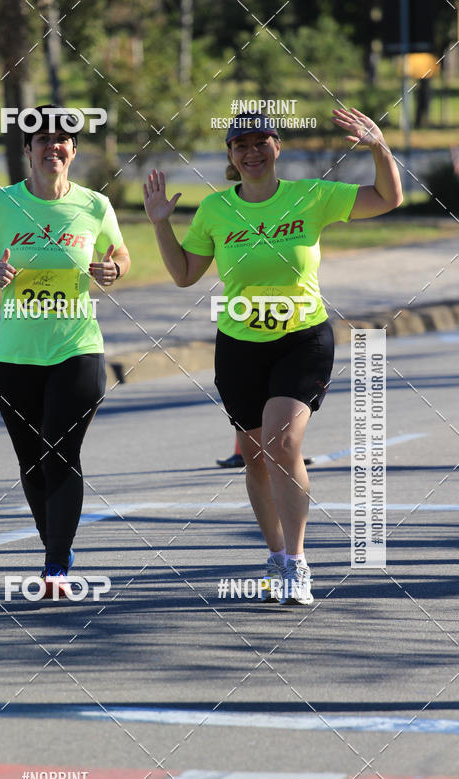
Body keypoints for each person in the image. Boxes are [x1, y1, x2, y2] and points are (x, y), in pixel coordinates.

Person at [144, 109, 401, 604]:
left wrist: (378, 146)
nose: (252, 151)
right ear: (231, 157)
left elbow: (389, 198)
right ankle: (278, 556)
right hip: (239, 345)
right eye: (241, 145)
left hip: (302, 339)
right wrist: (161, 224)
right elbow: (183, 274)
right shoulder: (215, 210)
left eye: (261, 141)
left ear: (277, 147)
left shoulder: (311, 196)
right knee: (257, 458)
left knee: (283, 444)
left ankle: (299, 563)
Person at [0, 106, 130, 598]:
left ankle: (54, 566)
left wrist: (113, 270)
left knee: (59, 450)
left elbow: (119, 254)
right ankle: (58, 545)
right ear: (27, 150)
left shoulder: (94, 205)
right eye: (42, 139)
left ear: (73, 150)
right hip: (17, 354)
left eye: (63, 140)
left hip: (78, 348)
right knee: (31, 461)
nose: (54, 146)